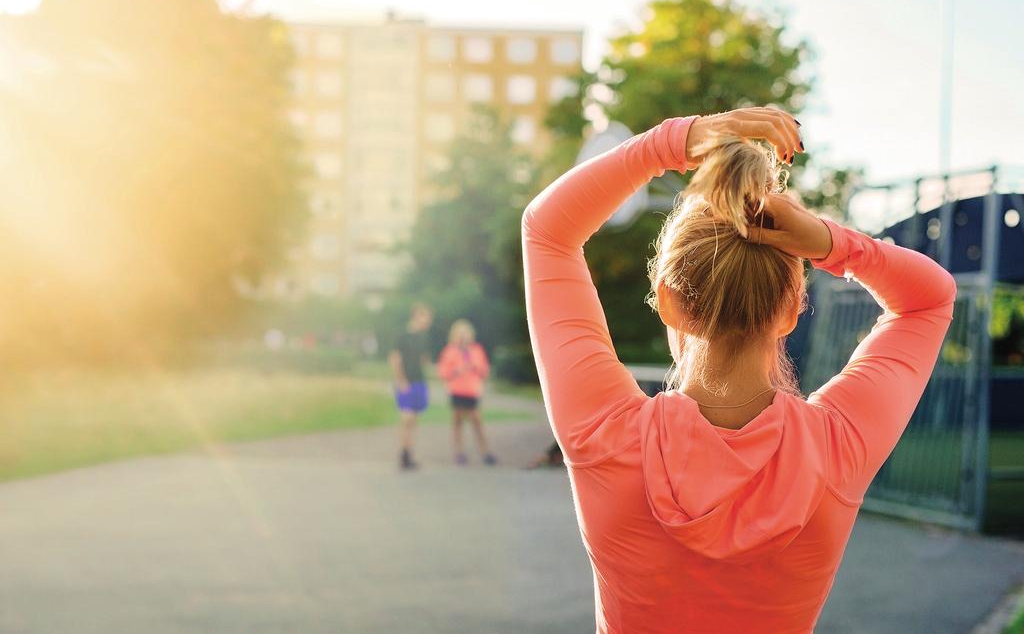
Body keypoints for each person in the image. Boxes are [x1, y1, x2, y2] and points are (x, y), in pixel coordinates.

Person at [522, 108, 956, 632]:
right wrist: (829, 242)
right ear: (793, 308)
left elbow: (547, 231)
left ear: (668, 302)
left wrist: (671, 143)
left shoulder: (606, 433)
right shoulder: (838, 448)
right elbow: (929, 299)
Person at [437, 319, 497, 466]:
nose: (463, 336)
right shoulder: (450, 350)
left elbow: (485, 370)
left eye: (465, 333)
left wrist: (475, 367)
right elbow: (443, 372)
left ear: (470, 335)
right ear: (455, 335)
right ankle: (459, 453)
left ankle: (486, 452)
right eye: (460, 334)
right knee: (457, 422)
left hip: (472, 391)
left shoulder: (477, 349)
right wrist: (456, 370)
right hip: (457, 391)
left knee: (477, 422)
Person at [389, 302, 433, 471]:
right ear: (416, 316)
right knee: (406, 418)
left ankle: (409, 454)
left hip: (419, 382)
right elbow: (395, 358)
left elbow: (423, 358)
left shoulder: (423, 337)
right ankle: (403, 453)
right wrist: (401, 381)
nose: (428, 321)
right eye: (426, 317)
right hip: (406, 382)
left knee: (414, 420)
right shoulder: (402, 335)